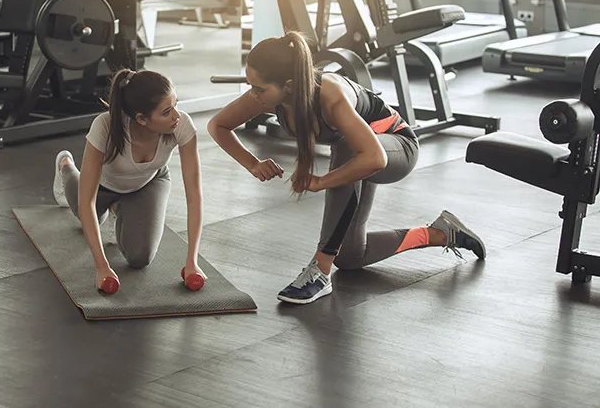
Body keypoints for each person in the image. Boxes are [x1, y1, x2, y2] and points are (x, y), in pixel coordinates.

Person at [207, 31, 486, 305]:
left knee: (347, 145)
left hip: (397, 148)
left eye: (258, 88)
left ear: (289, 85)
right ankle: (440, 232)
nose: (253, 95)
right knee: (351, 256)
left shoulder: (330, 96)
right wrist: (253, 163)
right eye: (250, 86)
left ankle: (319, 270)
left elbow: (375, 158)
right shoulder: (271, 96)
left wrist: (321, 182)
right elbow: (218, 125)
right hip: (364, 155)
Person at [51, 69, 207, 292]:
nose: (176, 116)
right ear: (142, 119)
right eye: (166, 112)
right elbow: (87, 201)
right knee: (91, 215)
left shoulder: (181, 125)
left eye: (176, 105)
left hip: (148, 183)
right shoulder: (105, 125)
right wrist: (102, 267)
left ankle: (122, 207)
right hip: (102, 186)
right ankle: (65, 166)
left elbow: (194, 197)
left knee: (139, 258)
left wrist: (192, 262)